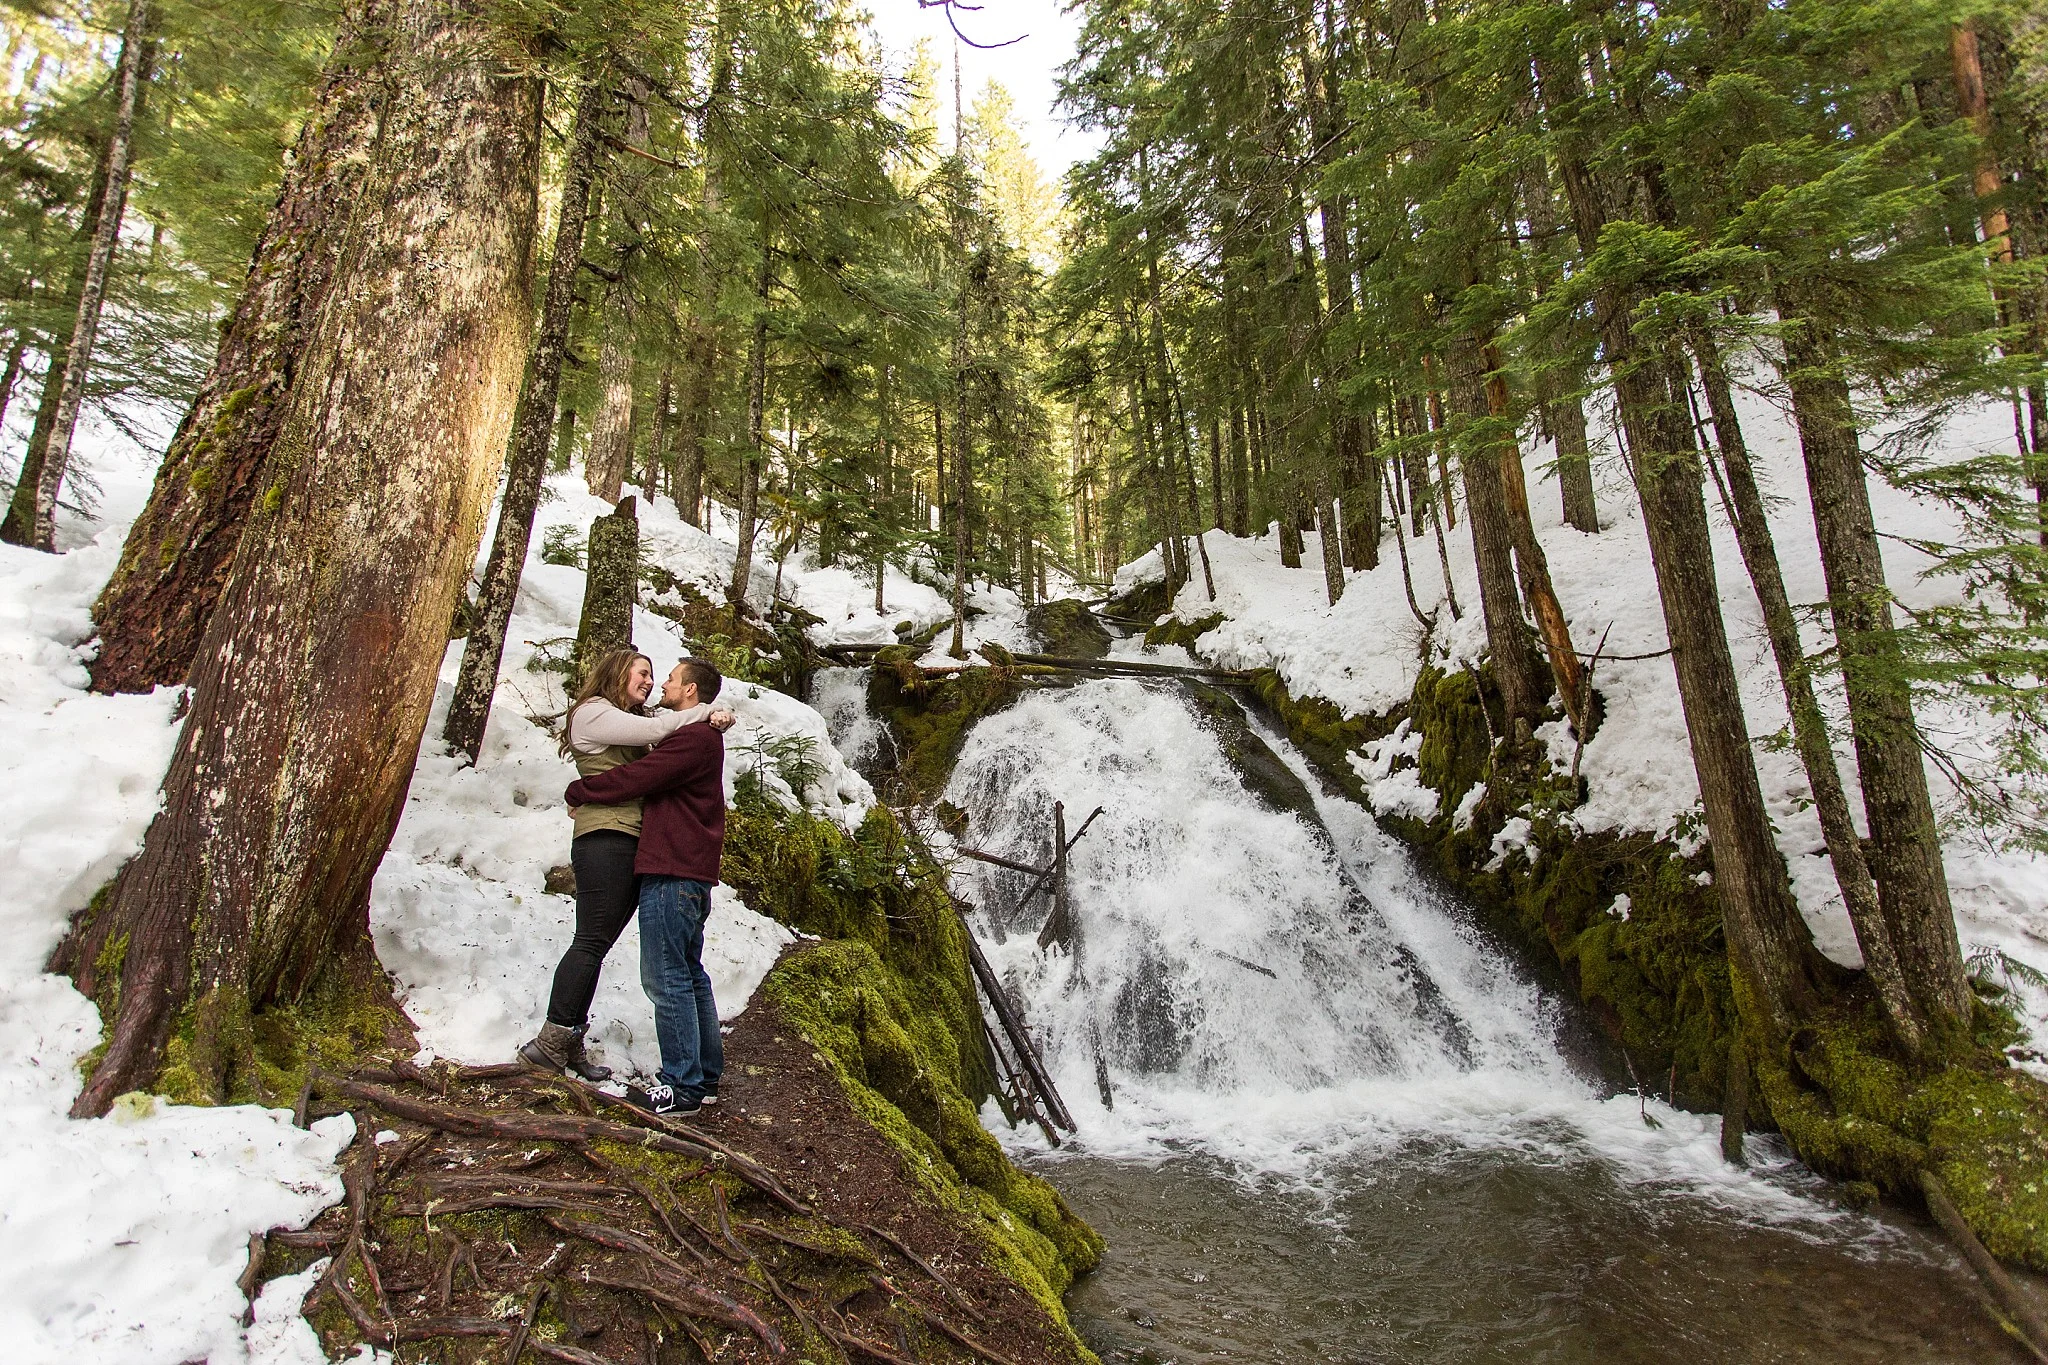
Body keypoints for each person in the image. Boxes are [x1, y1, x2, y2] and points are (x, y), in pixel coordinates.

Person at [518, 649, 732, 1080]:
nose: (652, 682)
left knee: (600, 945)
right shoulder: (595, 713)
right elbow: (651, 749)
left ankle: (566, 1042)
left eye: (658, 676)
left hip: (632, 841)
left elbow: (657, 740)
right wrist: (582, 790)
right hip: (607, 837)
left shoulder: (631, 723)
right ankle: (550, 1043)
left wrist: (712, 713)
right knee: (592, 941)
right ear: (617, 672)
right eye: (644, 673)